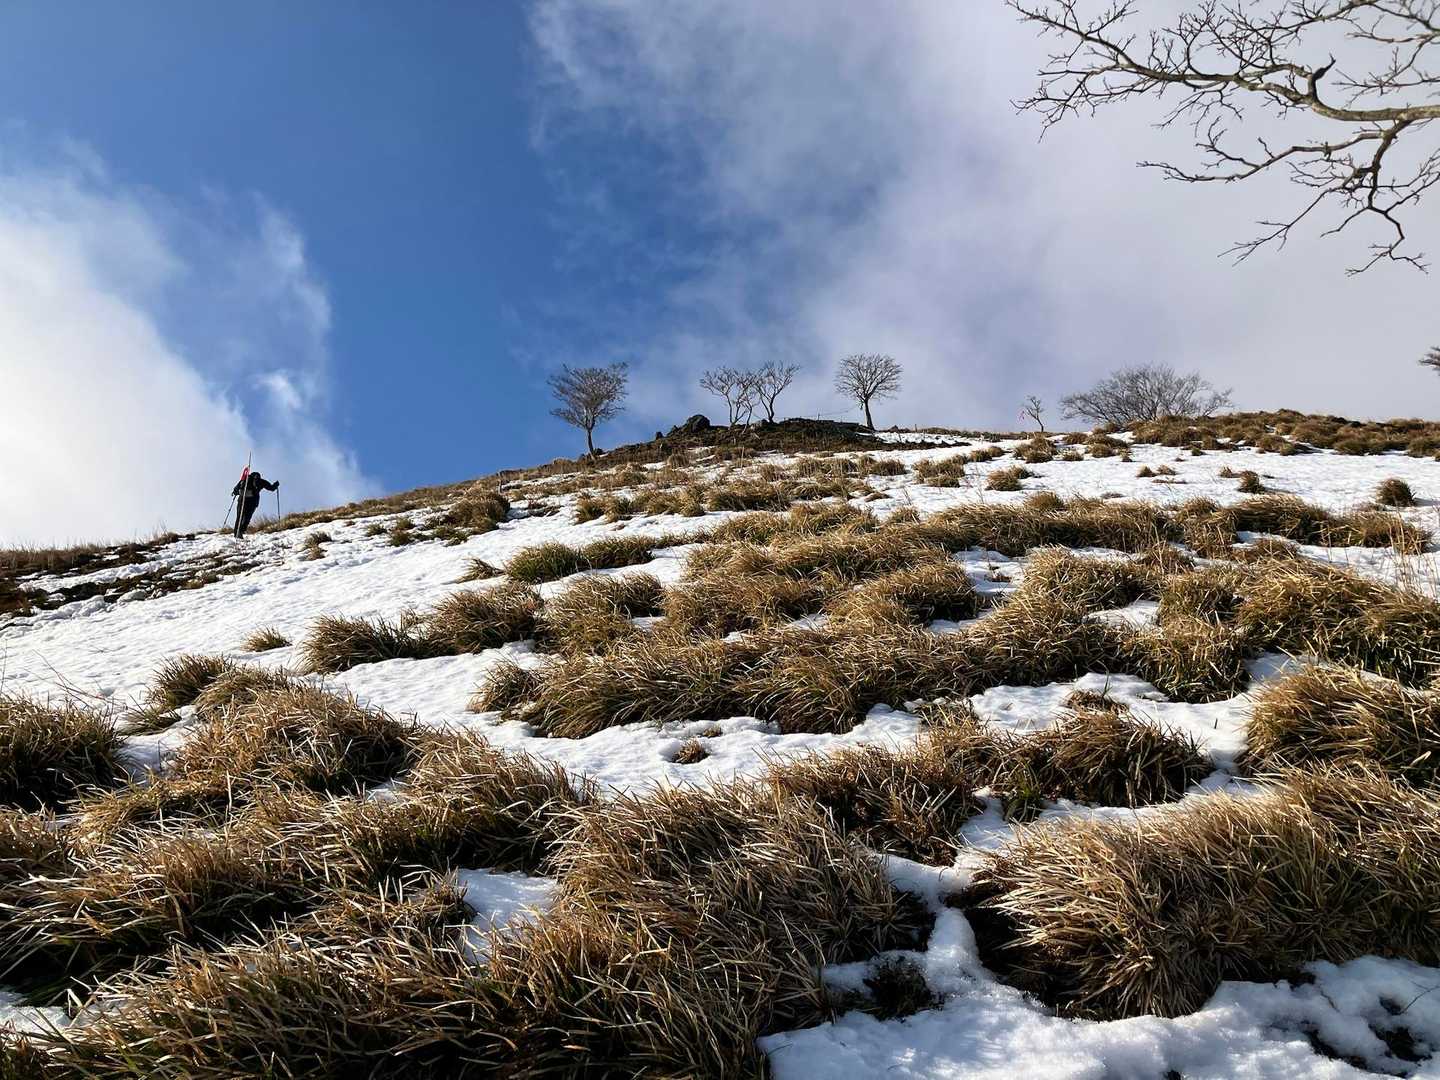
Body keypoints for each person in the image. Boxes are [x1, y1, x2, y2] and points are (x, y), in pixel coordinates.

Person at [231, 471, 279, 539]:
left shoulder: (245, 479)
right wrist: (276, 484)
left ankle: (236, 533)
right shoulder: (261, 481)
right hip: (252, 502)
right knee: (247, 518)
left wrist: (236, 492)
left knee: (239, 516)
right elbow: (271, 488)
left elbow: (236, 489)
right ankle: (241, 531)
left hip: (242, 500)